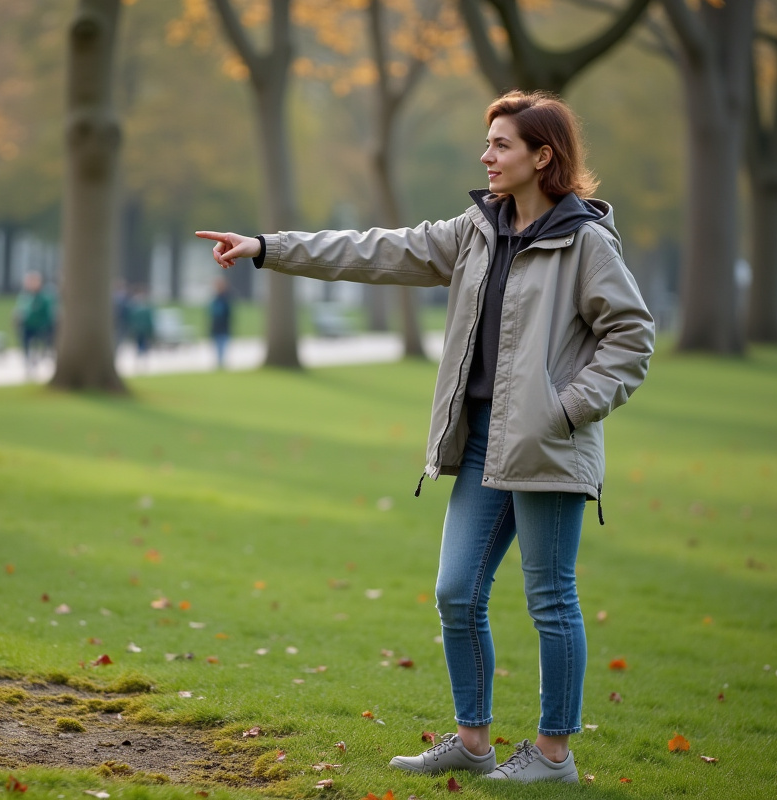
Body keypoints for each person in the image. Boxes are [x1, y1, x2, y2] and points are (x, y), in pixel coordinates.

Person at [196, 91, 654, 784]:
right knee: (456, 593)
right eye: (488, 142)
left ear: (542, 156)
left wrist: (566, 410)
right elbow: (378, 250)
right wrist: (267, 248)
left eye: (501, 145)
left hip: (548, 448)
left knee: (550, 599)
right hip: (479, 446)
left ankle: (554, 755)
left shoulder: (584, 241)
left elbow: (631, 337)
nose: (486, 156)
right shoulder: (477, 230)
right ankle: (473, 742)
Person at [13, 270, 54, 372]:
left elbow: (48, 314)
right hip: (28, 327)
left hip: (42, 327)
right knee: (25, 337)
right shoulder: (25, 296)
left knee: (43, 340)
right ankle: (28, 359)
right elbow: (21, 310)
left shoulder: (44, 296)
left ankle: (39, 357)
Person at [209, 277, 234, 369]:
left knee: (222, 347)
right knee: (217, 348)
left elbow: (229, 314)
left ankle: (221, 365)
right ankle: (219, 365)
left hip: (224, 327)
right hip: (216, 328)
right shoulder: (215, 299)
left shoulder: (226, 299)